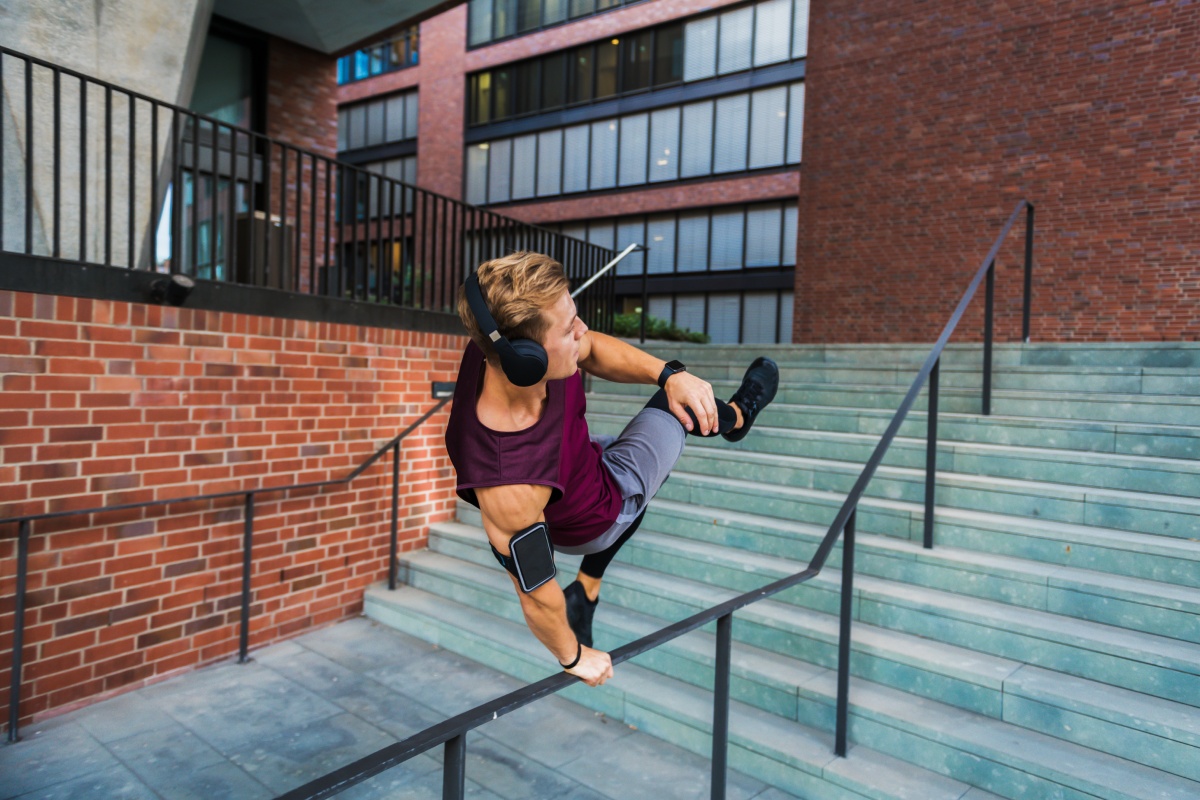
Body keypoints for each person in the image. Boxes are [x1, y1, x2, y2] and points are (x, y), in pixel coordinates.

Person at [444, 252, 778, 688]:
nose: (581, 332)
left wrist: (670, 374)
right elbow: (537, 596)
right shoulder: (511, 485)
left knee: (662, 401)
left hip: (578, 461)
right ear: (527, 358)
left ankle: (586, 592)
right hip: (597, 514)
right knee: (670, 417)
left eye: (575, 317)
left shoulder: (498, 346)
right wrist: (574, 656)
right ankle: (738, 415)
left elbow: (594, 348)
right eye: (569, 329)